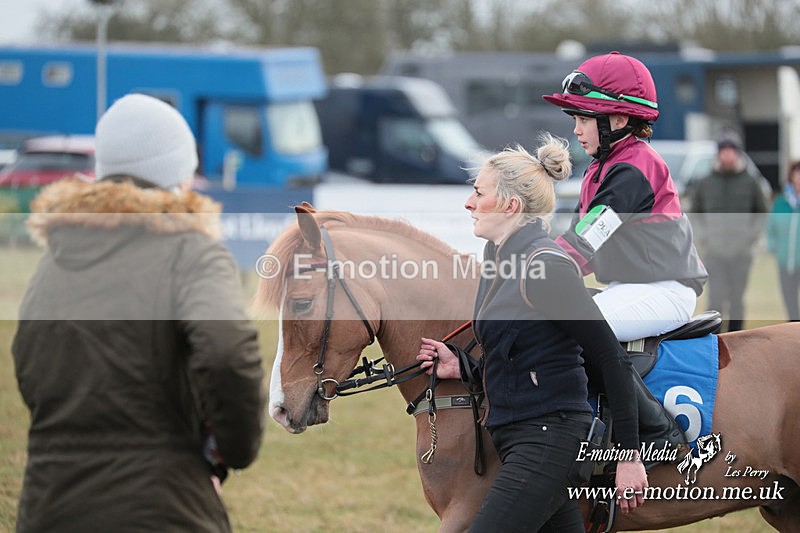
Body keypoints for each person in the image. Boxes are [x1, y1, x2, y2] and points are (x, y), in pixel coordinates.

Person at [12, 94, 266, 532]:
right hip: (160, 505)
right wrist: (232, 450)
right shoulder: (190, 252)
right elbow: (227, 352)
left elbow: (28, 365)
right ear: (176, 173)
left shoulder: (53, 259)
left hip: (47, 505)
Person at [417, 135, 647, 532]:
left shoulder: (547, 266)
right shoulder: (497, 259)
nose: (469, 204)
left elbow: (612, 359)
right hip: (519, 435)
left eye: (478, 193)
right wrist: (466, 368)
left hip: (549, 439)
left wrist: (628, 455)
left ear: (511, 205)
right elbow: (522, 352)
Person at [542, 51, 708, 343]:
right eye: (575, 119)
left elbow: (585, 240)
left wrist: (534, 267)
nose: (576, 130)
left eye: (584, 119)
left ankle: (629, 393)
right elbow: (577, 249)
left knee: (569, 332)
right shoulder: (600, 168)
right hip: (630, 289)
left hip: (663, 291)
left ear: (617, 120)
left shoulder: (634, 168)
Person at [691, 137, 769, 331]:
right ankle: (714, 339)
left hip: (741, 253)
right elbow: (695, 212)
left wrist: (751, 236)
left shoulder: (750, 181)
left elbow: (762, 211)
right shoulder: (705, 181)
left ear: (737, 154)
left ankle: (736, 338)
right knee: (715, 299)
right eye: (723, 150)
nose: (727, 155)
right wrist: (703, 236)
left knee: (737, 300)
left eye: (731, 150)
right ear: (718, 154)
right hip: (714, 252)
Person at [767, 160, 800, 322]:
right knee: (790, 302)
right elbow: (771, 227)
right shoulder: (781, 203)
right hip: (785, 261)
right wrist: (774, 247)